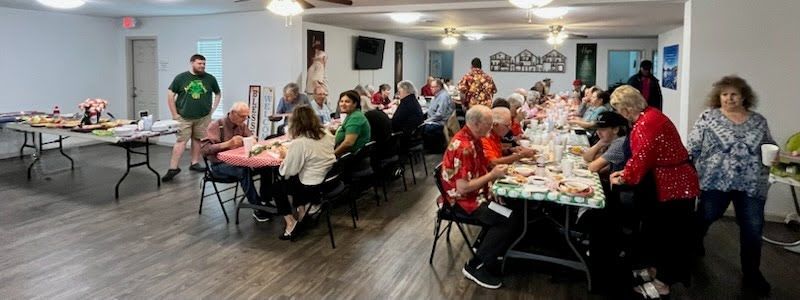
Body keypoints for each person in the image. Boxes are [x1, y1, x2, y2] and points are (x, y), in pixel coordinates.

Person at [608, 85, 699, 299]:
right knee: (659, 230)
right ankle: (656, 269)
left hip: (672, 184)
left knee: (669, 234)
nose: (619, 114)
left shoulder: (645, 124)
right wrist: (627, 171)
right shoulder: (652, 114)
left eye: (619, 109)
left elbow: (641, 157)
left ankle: (663, 283)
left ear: (627, 109)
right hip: (673, 179)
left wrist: (623, 176)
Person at [688, 75, 774, 295]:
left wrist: (777, 153)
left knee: (753, 228)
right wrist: (686, 167)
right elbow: (693, 145)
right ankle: (693, 246)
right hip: (715, 178)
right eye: (724, 94)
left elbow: (769, 145)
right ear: (719, 96)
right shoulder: (708, 117)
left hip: (751, 182)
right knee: (706, 215)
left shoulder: (758, 121)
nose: (729, 98)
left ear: (744, 96)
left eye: (734, 94)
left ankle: (752, 273)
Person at [440, 105, 517, 289]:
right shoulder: (464, 147)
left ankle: (489, 251)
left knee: (512, 210)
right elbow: (463, 188)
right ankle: (476, 265)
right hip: (462, 201)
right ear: (476, 123)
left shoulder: (475, 139)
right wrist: (492, 177)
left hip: (477, 195)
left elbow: (484, 167)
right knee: (507, 220)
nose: (492, 127)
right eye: (489, 124)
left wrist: (493, 186)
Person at [200, 102, 270, 222]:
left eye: (246, 116)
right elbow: (205, 150)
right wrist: (228, 144)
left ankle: (265, 200)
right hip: (219, 165)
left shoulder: (241, 125)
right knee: (243, 171)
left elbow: (252, 137)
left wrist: (252, 139)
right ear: (232, 113)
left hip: (238, 161)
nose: (244, 119)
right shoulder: (217, 125)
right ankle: (256, 206)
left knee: (266, 166)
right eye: (242, 116)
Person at [274, 105, 336, 240]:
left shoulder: (300, 143)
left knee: (278, 186)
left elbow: (287, 171)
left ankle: (290, 223)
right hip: (328, 180)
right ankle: (302, 212)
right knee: (296, 178)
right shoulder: (327, 134)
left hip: (311, 186)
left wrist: (285, 156)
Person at [163, 54, 222, 182]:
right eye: (199, 63)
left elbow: (218, 93)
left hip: (203, 117)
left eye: (204, 64)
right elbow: (170, 95)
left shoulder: (210, 79)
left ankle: (194, 163)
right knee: (181, 141)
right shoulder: (181, 78)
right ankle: (173, 168)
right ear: (192, 63)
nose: (202, 66)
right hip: (184, 117)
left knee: (197, 140)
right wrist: (174, 114)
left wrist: (212, 110)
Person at [334, 90, 371, 157]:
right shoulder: (352, 115)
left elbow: (348, 143)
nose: (343, 104)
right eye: (341, 101)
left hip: (353, 161)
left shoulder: (356, 118)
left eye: (347, 102)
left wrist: (333, 155)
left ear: (355, 104)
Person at [423, 79, 455, 153]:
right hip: (435, 120)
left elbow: (440, 114)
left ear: (438, 87)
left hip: (439, 122)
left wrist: (426, 121)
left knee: (422, 128)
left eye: (432, 87)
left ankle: (431, 149)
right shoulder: (437, 95)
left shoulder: (443, 96)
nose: (430, 89)